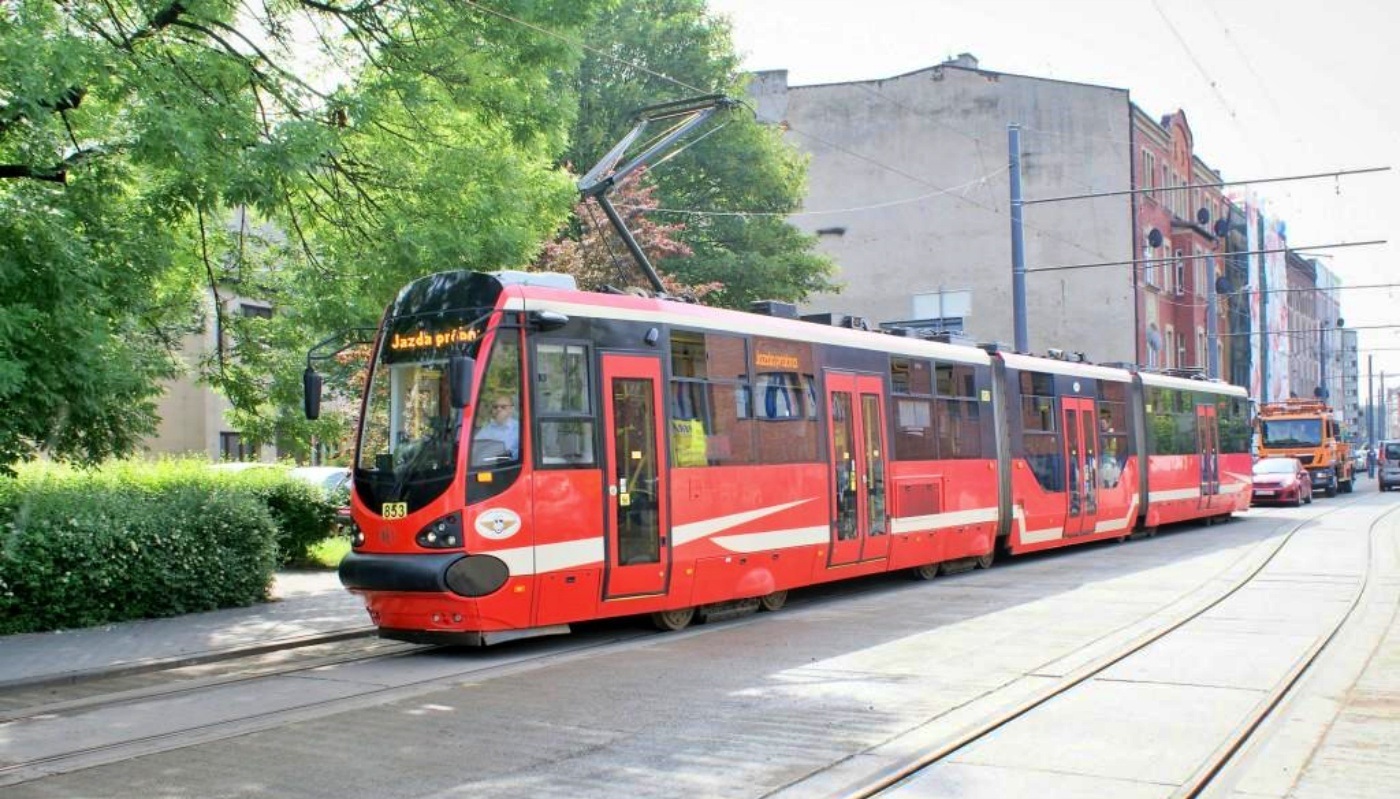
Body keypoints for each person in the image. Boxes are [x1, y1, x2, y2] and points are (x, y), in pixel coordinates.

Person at [473, 394, 520, 460]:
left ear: (511, 409)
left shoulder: (519, 429)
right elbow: (474, 448)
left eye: (503, 407)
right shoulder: (487, 429)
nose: (498, 409)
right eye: (495, 407)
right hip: (490, 465)